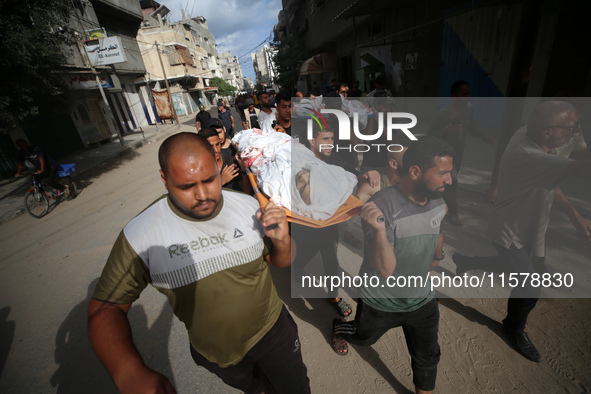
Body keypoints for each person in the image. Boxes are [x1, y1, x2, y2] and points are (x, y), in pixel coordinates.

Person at [88, 132, 310, 394]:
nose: (203, 195)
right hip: (219, 356)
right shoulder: (142, 234)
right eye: (186, 186)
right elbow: (106, 308)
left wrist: (283, 241)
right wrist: (128, 373)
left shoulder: (248, 207)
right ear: (164, 179)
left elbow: (279, 261)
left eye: (209, 180)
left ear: (218, 167)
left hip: (275, 335)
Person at [452, 101, 591, 363]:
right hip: (510, 231)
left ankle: (466, 261)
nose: (575, 132)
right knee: (529, 286)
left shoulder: (536, 139)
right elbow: (579, 168)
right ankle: (513, 327)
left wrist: (574, 215)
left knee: (514, 268)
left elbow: (552, 182)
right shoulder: (527, 153)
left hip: (532, 226)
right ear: (548, 131)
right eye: (571, 127)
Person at [332, 137, 454, 394]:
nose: (449, 180)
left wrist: (437, 257)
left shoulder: (438, 201)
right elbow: (385, 271)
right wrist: (377, 230)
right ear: (415, 172)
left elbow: (438, 232)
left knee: (428, 356)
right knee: (363, 338)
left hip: (423, 302)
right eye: (443, 173)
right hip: (381, 302)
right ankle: (339, 328)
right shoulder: (381, 206)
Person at [428, 80, 495, 226]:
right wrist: (444, 131)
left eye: (468, 94)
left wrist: (484, 137)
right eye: (464, 94)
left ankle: (437, 205)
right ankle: (453, 211)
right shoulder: (443, 114)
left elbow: (471, 127)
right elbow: (430, 135)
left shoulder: (468, 109)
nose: (467, 97)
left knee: (445, 182)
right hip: (443, 156)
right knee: (452, 182)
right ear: (454, 95)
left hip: (458, 155)